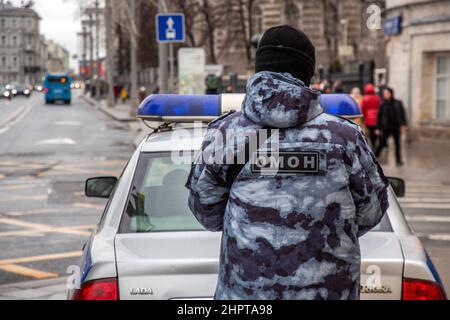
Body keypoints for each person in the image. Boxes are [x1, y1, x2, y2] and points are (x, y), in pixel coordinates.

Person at [186, 25, 389, 300]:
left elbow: (206, 211)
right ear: (307, 72)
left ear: (259, 69)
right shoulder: (346, 138)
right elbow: (371, 212)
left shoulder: (224, 135)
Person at [375, 88, 408, 166]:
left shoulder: (398, 103)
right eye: (384, 93)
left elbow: (403, 114)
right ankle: (373, 159)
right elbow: (379, 116)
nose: (385, 95)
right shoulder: (382, 104)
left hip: (396, 127)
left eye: (386, 93)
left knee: (397, 144)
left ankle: (398, 161)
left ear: (391, 93)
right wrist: (377, 128)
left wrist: (404, 125)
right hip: (385, 127)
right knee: (382, 143)